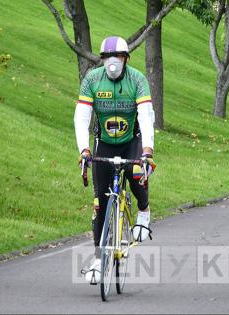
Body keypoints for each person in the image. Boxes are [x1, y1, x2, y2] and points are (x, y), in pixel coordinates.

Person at [74, 36, 156, 284]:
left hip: (133, 140)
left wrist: (147, 151)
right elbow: (81, 117)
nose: (112, 61)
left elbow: (145, 115)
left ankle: (143, 211)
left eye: (118, 56)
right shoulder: (92, 79)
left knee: (136, 174)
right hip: (105, 143)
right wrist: (84, 150)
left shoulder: (137, 80)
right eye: (107, 57)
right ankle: (99, 260)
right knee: (99, 203)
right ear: (101, 60)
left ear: (126, 59)